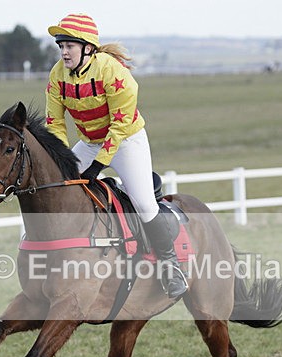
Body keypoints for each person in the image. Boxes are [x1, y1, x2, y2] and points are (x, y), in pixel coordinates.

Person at [45, 13, 188, 299]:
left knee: (145, 203)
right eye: (60, 45)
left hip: (126, 140)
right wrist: (62, 160)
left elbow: (120, 124)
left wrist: (98, 166)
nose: (63, 51)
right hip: (88, 142)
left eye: (69, 46)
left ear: (87, 47)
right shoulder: (57, 74)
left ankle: (171, 267)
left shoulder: (114, 72)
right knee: (56, 188)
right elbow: (55, 123)